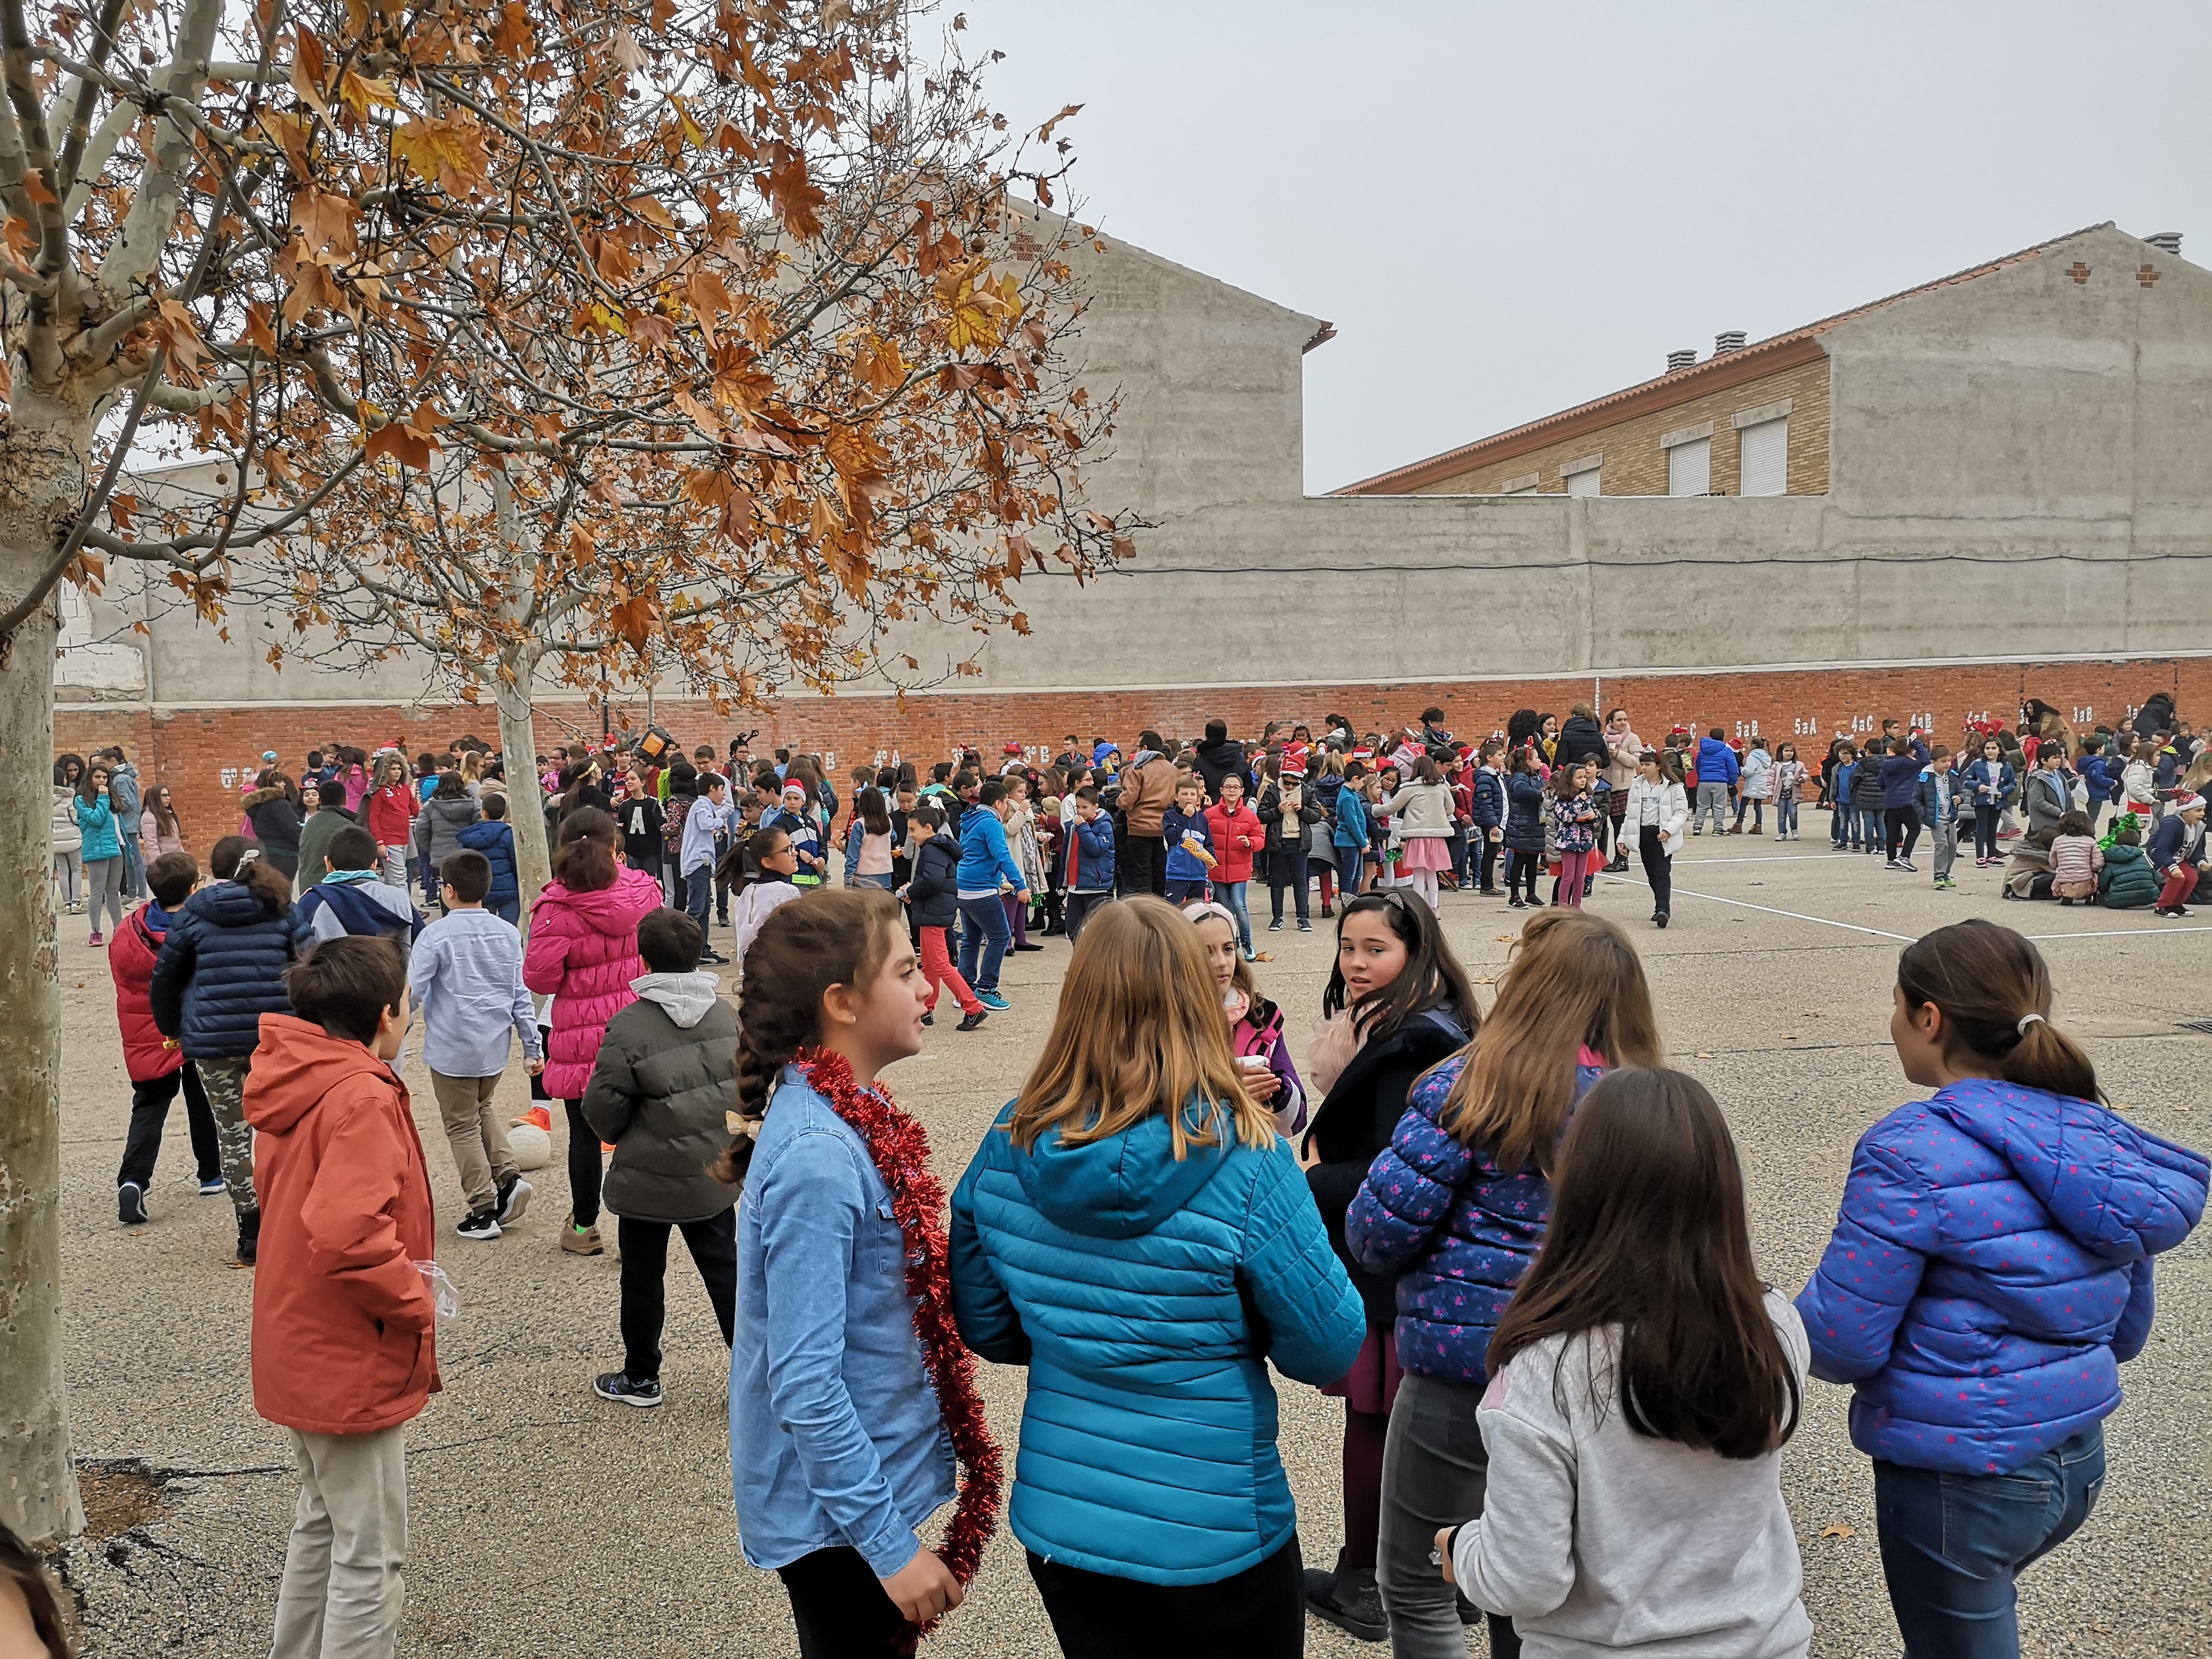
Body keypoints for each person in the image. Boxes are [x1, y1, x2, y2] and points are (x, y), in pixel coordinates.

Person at [951, 897, 1363, 1656]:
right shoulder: (1246, 1151)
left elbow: (988, 1325)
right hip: (1216, 1520)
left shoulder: (1009, 1138)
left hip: (1067, 1516)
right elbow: (1328, 1347)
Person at [1796, 920, 2207, 1659]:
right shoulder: (2098, 1139)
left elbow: (1841, 1340)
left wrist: (1753, 1317)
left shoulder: (1908, 1150)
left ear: (1930, 1018)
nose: (1892, 1024)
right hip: (2076, 1460)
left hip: (1960, 1480)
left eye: (1897, 1005)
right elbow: (2127, 1332)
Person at [1346, 908, 1656, 1658]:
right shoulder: (1647, 1100)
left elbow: (1378, 1232)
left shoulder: (1466, 1085)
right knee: (1542, 1576)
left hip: (1464, 1366)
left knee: (1419, 1582)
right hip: (1597, 1369)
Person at [1442, 1068, 1814, 1657]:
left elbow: (1526, 1580)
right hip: (1764, 1641)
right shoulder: (1771, 1324)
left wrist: (1462, 1551)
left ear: (1579, 1190)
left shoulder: (1545, 1372)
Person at [726, 889, 996, 1656]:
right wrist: (889, 1546)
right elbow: (804, 1382)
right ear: (841, 1001)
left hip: (865, 1481)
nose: (927, 987)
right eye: (909, 970)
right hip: (840, 1520)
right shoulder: (819, 1156)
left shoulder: (855, 1109)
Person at [244, 933, 435, 1659]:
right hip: (346, 1346)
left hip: (300, 1336)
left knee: (323, 1523)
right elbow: (348, 1233)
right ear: (387, 1015)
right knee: (370, 1554)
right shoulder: (360, 1094)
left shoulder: (305, 1076)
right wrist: (412, 1300)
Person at [1299, 891, 1478, 1642]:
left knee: (1376, 1422)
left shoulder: (1411, 1042)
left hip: (1393, 1266)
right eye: (1349, 948)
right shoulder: (1440, 1022)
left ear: (1416, 951)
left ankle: (1363, 1578)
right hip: (1434, 1268)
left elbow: (1388, 1170)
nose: (1358, 963)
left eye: (1377, 948)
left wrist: (1302, 1173)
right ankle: (1459, 1569)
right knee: (1438, 1424)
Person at [580, 908, 739, 1407]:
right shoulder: (724, 1014)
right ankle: (761, 1372)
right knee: (727, 1272)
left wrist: (622, 1133)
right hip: (714, 1169)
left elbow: (602, 1107)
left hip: (648, 1176)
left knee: (643, 1279)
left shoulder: (629, 1025)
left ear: (642, 959)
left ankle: (641, 1376)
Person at [151, 838, 310, 1264]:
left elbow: (166, 976)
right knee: (286, 1130)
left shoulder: (194, 914)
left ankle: (251, 1231)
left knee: (233, 1135)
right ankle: (292, 1219)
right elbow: (309, 963)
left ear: (214, 870)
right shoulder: (282, 907)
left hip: (214, 1040)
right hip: (276, 1038)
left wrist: (173, 1028)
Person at [522, 807, 666, 1258]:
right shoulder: (642, 890)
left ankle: (584, 1226)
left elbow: (540, 979)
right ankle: (637, 1227)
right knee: (637, 1130)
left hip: (580, 1033)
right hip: (635, 1023)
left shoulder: (555, 907)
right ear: (614, 845)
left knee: (584, 1135)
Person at [408, 850, 541, 1242]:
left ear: (448, 890)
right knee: (481, 1108)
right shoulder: (506, 932)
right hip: (494, 1046)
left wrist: (392, 1035)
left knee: (461, 1124)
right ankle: (507, 1176)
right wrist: (532, 1048)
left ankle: (482, 1209)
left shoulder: (436, 935)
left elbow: (413, 991)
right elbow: (521, 994)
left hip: (452, 1048)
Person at [113, 850, 225, 1224]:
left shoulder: (129, 931)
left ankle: (133, 1180)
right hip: (192, 1030)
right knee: (203, 1100)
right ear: (194, 888)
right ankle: (211, 1174)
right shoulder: (200, 930)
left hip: (147, 1033)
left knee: (148, 1106)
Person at [1187, 898, 1307, 1135]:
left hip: (1254, 1156)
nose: (1222, 962)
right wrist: (1227, 1095)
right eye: (1206, 952)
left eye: (1228, 948)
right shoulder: (1165, 1022)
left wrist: (1275, 1090)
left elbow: (1297, 1121)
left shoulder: (1260, 1017)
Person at [901, 803, 986, 1032]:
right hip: (934, 911)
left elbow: (932, 880)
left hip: (933, 914)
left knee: (940, 965)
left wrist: (911, 891)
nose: (911, 834)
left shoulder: (931, 849)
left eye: (912, 829)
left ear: (928, 828)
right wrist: (914, 890)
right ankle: (927, 1009)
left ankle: (973, 1007)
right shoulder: (938, 846)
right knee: (929, 965)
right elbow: (933, 880)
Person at [955, 778, 1029, 1011]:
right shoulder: (991, 823)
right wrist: (1020, 885)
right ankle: (986, 989)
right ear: (999, 803)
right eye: (1006, 802)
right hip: (980, 890)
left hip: (964, 887)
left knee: (971, 939)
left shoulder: (971, 820)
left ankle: (964, 991)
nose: (1007, 806)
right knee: (1000, 936)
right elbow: (1002, 856)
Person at [1376, 756, 1456, 913]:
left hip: (1416, 834)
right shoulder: (1442, 787)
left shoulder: (1409, 788)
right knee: (1432, 873)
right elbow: (1451, 809)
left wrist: (1373, 810)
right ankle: (1434, 908)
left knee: (1418, 873)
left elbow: (1392, 808)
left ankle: (1418, 908)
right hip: (1436, 835)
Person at [1623, 748, 1689, 929]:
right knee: (1652, 874)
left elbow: (1682, 812)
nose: (1643, 767)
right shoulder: (1637, 785)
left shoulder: (1673, 786)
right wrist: (1623, 838)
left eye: (1647, 764)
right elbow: (1630, 814)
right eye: (1642, 764)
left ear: (1658, 766)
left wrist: (1669, 829)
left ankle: (1663, 910)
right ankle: (1659, 905)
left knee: (1662, 872)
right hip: (1642, 834)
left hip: (1662, 835)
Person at [1201, 770, 1263, 954]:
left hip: (1240, 869)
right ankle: (1232, 943)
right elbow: (1202, 838)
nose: (1232, 791)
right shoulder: (1210, 814)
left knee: (1239, 905)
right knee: (1226, 910)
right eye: (1228, 787)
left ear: (1242, 791)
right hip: (1217, 870)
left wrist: (1249, 843)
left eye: (1236, 787)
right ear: (1222, 790)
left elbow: (1260, 838)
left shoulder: (1249, 815)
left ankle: (1247, 942)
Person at [1257, 759, 1321, 933]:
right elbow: (1261, 815)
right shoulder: (1272, 790)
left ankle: (1303, 918)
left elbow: (1316, 816)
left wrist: (1302, 810)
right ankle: (1277, 917)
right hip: (1278, 841)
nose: (1291, 787)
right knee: (1277, 882)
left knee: (1301, 881)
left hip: (1299, 842)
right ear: (1282, 777)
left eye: (1295, 783)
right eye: (1287, 783)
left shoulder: (1307, 791)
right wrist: (1277, 810)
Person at [681, 773, 737, 961]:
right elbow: (706, 824)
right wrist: (721, 822)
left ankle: (702, 949)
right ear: (712, 788)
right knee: (696, 910)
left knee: (704, 909)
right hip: (698, 864)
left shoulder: (705, 806)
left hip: (703, 863)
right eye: (722, 790)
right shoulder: (702, 805)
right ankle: (685, 950)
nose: (724, 795)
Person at [1118, 732, 1179, 897]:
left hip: (1140, 827)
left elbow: (1128, 800)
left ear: (1145, 748)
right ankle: (1160, 908)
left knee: (1142, 875)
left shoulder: (1137, 769)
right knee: (1161, 873)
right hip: (1165, 827)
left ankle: (1145, 912)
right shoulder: (1173, 770)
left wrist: (1119, 802)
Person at [77, 762, 126, 945]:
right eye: (98, 777)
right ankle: (95, 931)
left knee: (113, 891)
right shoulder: (82, 800)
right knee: (97, 891)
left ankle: (119, 928)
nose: (102, 781)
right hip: (97, 850)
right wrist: (104, 798)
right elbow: (96, 819)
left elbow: (117, 823)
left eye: (105, 777)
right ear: (90, 778)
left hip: (115, 847)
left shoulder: (110, 797)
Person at [1060, 786, 1117, 943]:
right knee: (1073, 929)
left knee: (1095, 930)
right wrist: (1063, 881)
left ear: (1096, 807)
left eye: (1085, 807)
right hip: (1075, 885)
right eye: (1078, 807)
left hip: (1095, 884)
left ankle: (1095, 963)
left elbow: (1096, 848)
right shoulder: (1074, 824)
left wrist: (1084, 828)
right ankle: (1080, 960)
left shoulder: (1104, 825)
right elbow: (1068, 854)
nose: (1080, 811)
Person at [456, 792, 521, 925]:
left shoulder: (471, 836)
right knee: (509, 928)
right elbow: (516, 862)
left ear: (483, 813)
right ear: (504, 813)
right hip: (509, 890)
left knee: (485, 928)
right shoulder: (509, 835)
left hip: (483, 890)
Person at [1545, 761, 1602, 911]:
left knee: (1581, 877)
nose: (1583, 780)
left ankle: (1576, 906)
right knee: (1568, 876)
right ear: (1570, 780)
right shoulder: (1561, 799)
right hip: (1568, 841)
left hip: (1584, 841)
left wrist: (1594, 816)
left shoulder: (1588, 797)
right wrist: (1578, 802)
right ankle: (1563, 906)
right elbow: (1566, 818)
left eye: (1584, 777)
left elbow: (1597, 819)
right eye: (1579, 777)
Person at [1913, 745, 1968, 890]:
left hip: (1950, 817)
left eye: (1949, 761)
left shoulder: (1952, 776)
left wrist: (1960, 799)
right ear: (1933, 762)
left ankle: (1946, 873)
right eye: (1943, 761)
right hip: (1936, 819)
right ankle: (1938, 875)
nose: (1947, 764)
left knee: (1953, 847)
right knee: (1941, 845)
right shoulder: (1925, 778)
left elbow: (1960, 791)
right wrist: (1924, 815)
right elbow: (1916, 799)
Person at [364, 754, 420, 889]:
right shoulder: (379, 792)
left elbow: (415, 810)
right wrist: (379, 842)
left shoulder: (405, 789)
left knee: (392, 879)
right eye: (393, 769)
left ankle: (390, 907)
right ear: (385, 770)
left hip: (404, 838)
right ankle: (407, 909)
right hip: (388, 840)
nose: (397, 772)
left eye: (399, 769)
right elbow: (374, 817)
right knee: (399, 877)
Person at [295, 778, 358, 895]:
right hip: (332, 891)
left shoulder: (310, 823)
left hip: (307, 889)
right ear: (345, 800)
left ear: (320, 800)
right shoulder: (348, 827)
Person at [1161, 775, 1217, 905]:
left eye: (1193, 794)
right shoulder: (1169, 817)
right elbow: (1172, 838)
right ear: (1176, 797)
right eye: (1184, 794)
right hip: (1177, 875)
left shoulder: (1202, 819)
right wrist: (1185, 817)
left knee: (1197, 911)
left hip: (1199, 875)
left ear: (1198, 797)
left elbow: (1208, 843)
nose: (1189, 797)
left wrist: (1211, 858)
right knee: (1174, 912)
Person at [2148, 792, 2206, 917]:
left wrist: (2201, 862)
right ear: (2184, 811)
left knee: (2192, 877)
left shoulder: (2198, 827)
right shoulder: (2171, 824)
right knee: (2178, 877)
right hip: (2159, 855)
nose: (2203, 814)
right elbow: (2162, 849)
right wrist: (2172, 867)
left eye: (2203, 810)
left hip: (2177, 857)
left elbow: (2196, 849)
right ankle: (2162, 906)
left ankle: (2176, 904)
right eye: (2198, 810)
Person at [1597, 710, 1642, 870]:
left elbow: (1638, 762)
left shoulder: (1632, 738)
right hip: (1605, 785)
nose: (1623, 722)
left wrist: (1618, 754)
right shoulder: (1603, 738)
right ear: (1611, 722)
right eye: (1619, 720)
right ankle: (1601, 858)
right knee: (1601, 824)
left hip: (1624, 787)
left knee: (1620, 826)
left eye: (1625, 719)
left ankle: (1622, 859)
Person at [1500, 752, 1546, 909]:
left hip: (1535, 824)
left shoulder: (1536, 776)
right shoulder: (1520, 777)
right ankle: (1514, 896)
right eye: (1536, 758)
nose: (1540, 761)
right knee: (1520, 860)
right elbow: (1521, 791)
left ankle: (1531, 894)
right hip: (1522, 825)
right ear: (1527, 761)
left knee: (1533, 861)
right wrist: (1542, 794)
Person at [245, 772, 307, 884]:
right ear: (270, 784)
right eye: (279, 782)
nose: (283, 784)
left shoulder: (256, 805)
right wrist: (306, 840)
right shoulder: (280, 804)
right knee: (283, 890)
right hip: (284, 855)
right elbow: (292, 829)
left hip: (264, 852)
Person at [1334, 759, 1374, 898]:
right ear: (1355, 778)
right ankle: (1348, 903)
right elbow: (1352, 823)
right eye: (1362, 781)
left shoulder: (1350, 794)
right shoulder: (1347, 797)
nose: (1363, 785)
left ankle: (1353, 900)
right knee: (1349, 876)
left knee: (1357, 876)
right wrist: (1363, 843)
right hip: (1348, 842)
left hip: (1354, 841)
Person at [844, 787, 897, 891]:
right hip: (885, 875)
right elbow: (894, 838)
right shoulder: (888, 822)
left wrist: (848, 878)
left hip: (864, 877)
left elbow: (853, 855)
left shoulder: (859, 824)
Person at [2047, 810, 2103, 904]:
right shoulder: (2091, 841)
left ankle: (2066, 898)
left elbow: (2053, 863)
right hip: (2085, 883)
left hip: (2064, 884)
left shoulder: (2057, 841)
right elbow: (2098, 863)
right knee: (2096, 874)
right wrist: (2091, 868)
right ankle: (2091, 897)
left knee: (2060, 874)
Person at [2020, 744, 2072, 842]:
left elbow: (2066, 794)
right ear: (2044, 761)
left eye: (2059, 758)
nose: (2058, 761)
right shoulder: (2037, 779)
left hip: (2059, 823)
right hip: (2044, 826)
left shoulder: (2059, 775)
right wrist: (2059, 813)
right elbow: (2037, 801)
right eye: (2054, 758)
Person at [1691, 728, 1737, 835]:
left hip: (1704, 781)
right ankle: (1718, 829)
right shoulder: (1726, 751)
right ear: (1723, 737)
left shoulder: (1703, 751)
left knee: (1702, 805)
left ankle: (1697, 827)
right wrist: (1732, 782)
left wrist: (1701, 776)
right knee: (1719, 806)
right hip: (1720, 782)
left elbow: (1698, 765)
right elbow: (1733, 768)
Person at [49, 770, 82, 915]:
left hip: (55, 839)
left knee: (62, 871)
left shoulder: (46, 798)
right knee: (76, 869)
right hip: (72, 838)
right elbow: (76, 818)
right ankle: (76, 901)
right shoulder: (68, 797)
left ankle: (66, 903)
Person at [1851, 738, 1890, 858]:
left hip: (1866, 796)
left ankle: (1870, 846)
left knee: (1868, 822)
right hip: (1883, 796)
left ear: (1867, 751)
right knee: (1881, 822)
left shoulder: (1862, 764)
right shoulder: (1887, 762)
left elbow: (1854, 778)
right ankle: (1883, 847)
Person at [1732, 736, 1773, 835]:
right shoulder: (1768, 757)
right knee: (1758, 805)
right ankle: (1758, 825)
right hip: (1762, 784)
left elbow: (1749, 771)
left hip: (1753, 784)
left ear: (1753, 745)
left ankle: (1739, 824)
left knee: (1743, 804)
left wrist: (1741, 769)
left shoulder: (1752, 757)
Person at [1768, 741, 1807, 841]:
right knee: (1781, 814)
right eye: (1786, 751)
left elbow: (1805, 774)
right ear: (1782, 752)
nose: (1789, 753)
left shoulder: (1798, 765)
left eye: (1791, 751)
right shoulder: (1776, 765)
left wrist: (1802, 778)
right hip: (1780, 795)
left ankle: (1794, 830)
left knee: (1793, 813)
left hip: (1792, 795)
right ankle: (1782, 833)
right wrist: (1770, 792)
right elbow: (1770, 780)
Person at [141, 784, 187, 857]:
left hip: (175, 860)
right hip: (162, 863)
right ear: (156, 798)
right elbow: (151, 845)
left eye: (169, 795)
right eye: (164, 796)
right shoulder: (149, 817)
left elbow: (177, 842)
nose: (168, 798)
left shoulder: (169, 815)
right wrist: (159, 865)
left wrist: (183, 857)